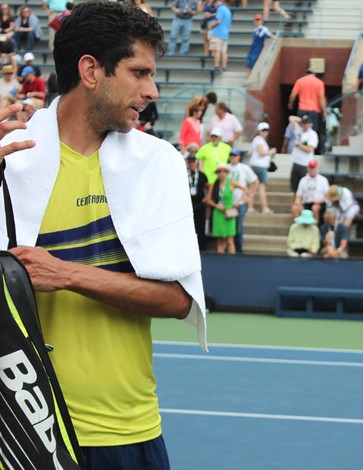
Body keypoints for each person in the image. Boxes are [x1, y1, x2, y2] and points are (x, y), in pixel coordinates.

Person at [0, 2, 207, 466]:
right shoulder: (9, 158)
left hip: (121, 427)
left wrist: (67, 275)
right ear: (91, 70)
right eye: (139, 72)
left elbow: (178, 300)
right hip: (17, 426)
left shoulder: (159, 163)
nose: (152, 90)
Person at [206, 163, 243, 253]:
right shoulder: (214, 185)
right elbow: (208, 200)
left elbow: (245, 189)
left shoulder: (231, 182)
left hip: (228, 212)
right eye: (219, 171)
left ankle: (232, 261)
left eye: (223, 171)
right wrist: (216, 205)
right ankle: (220, 260)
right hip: (218, 212)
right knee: (220, 240)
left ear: (226, 172)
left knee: (230, 239)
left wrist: (238, 202)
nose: (221, 173)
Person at [288, 68, 326, 152]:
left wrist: (290, 103)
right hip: (314, 111)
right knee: (313, 131)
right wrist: (324, 111)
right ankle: (311, 149)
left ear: (306, 73)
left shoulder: (300, 81)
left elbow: (293, 94)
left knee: (300, 129)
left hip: (302, 109)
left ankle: (301, 147)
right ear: (314, 74)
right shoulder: (319, 82)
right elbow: (321, 97)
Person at [227, 147, 258, 253]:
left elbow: (255, 181)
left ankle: (239, 250)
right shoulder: (226, 168)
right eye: (231, 155)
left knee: (238, 228)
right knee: (229, 227)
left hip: (239, 203)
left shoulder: (244, 168)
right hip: (228, 203)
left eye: (234, 155)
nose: (232, 157)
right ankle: (231, 249)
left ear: (239, 157)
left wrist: (250, 195)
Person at [248, 121, 276, 214]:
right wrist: (271, 152)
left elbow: (250, 152)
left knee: (254, 187)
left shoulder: (256, 139)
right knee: (261, 187)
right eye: (263, 130)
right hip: (260, 166)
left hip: (256, 165)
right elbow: (261, 152)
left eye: (266, 130)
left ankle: (250, 207)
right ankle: (265, 208)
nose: (265, 132)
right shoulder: (259, 140)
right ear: (259, 131)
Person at [288, 114, 319, 192]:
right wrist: (301, 120)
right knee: (294, 188)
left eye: (306, 123)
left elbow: (309, 149)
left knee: (304, 188)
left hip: (305, 164)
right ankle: (296, 204)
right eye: (303, 123)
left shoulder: (312, 134)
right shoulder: (299, 129)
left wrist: (299, 145)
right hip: (296, 162)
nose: (304, 125)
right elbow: (291, 118)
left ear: (310, 124)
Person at [186, 150, 209, 250]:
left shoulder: (202, 175)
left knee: (200, 227)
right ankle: (189, 248)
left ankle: (201, 247)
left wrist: (208, 196)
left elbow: (208, 186)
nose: (191, 163)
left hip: (200, 205)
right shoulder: (184, 174)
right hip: (188, 206)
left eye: (193, 161)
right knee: (189, 227)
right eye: (189, 161)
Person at [208, 0, 231, 71]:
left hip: (218, 33)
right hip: (225, 33)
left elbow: (218, 21)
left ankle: (216, 66)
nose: (214, 7)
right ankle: (224, 67)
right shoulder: (227, 9)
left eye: (214, 5)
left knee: (217, 50)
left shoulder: (220, 9)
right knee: (224, 52)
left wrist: (211, 26)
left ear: (216, 3)